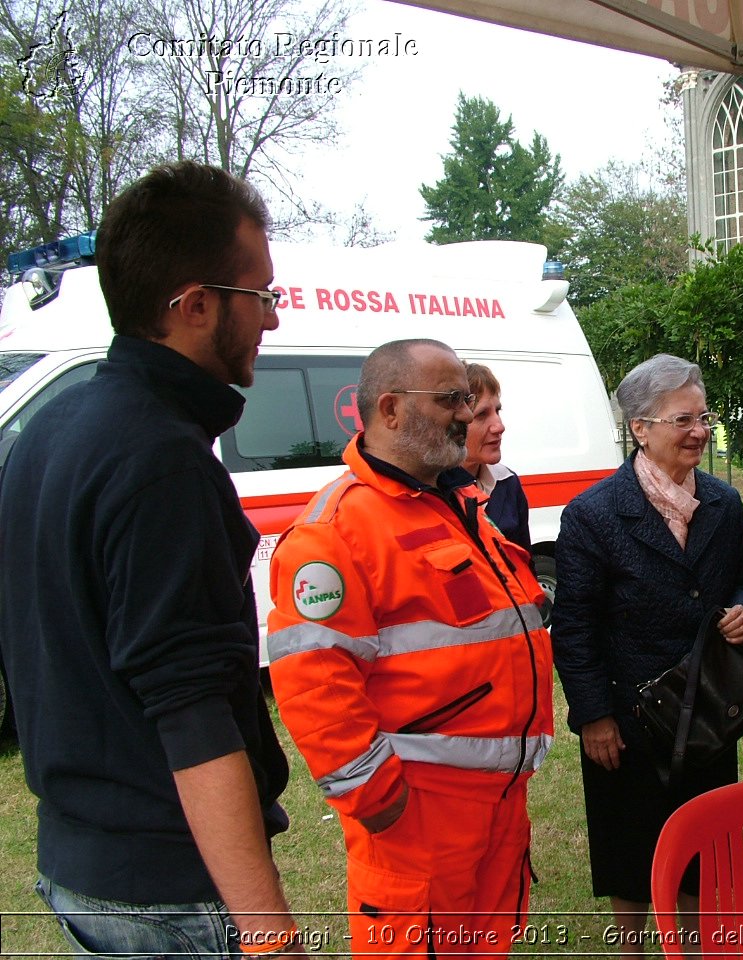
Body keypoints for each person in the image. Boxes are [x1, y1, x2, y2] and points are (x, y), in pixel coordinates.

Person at [0, 161, 305, 957]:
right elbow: (191, 711)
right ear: (196, 306)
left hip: (78, 869)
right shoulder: (161, 459)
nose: (272, 319)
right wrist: (271, 939)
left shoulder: (51, 428)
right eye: (262, 296)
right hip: (165, 893)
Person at [267, 338, 554, 958]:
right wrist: (378, 798)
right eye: (451, 397)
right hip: (418, 823)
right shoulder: (336, 531)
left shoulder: (459, 505)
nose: (466, 411)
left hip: (496, 808)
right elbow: (314, 683)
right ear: (391, 410)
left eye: (468, 397)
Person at [552, 353, 743, 952]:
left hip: (707, 707)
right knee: (630, 840)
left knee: (704, 839)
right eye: (683, 420)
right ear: (640, 429)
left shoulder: (721, 505)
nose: (700, 431)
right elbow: (573, 627)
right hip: (628, 716)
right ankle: (632, 947)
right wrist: (594, 715)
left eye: (704, 416)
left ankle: (694, 946)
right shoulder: (593, 514)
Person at [462, 362, 531, 551]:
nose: (499, 426)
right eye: (482, 414)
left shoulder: (507, 482)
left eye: (497, 410)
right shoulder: (431, 491)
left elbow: (524, 563)